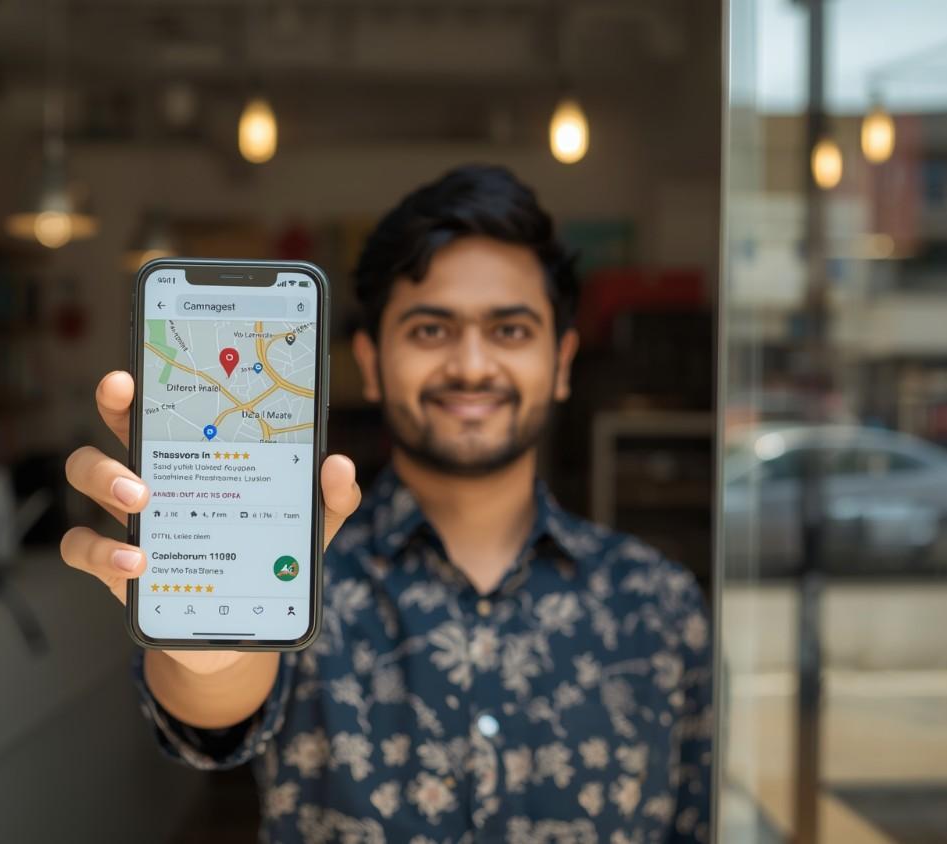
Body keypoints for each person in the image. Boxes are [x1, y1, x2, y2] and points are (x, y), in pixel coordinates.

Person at [60, 164, 712, 842]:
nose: (471, 365)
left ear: (563, 361)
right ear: (370, 363)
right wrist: (211, 654)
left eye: (511, 331)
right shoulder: (304, 570)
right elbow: (212, 709)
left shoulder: (658, 602)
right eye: (430, 330)